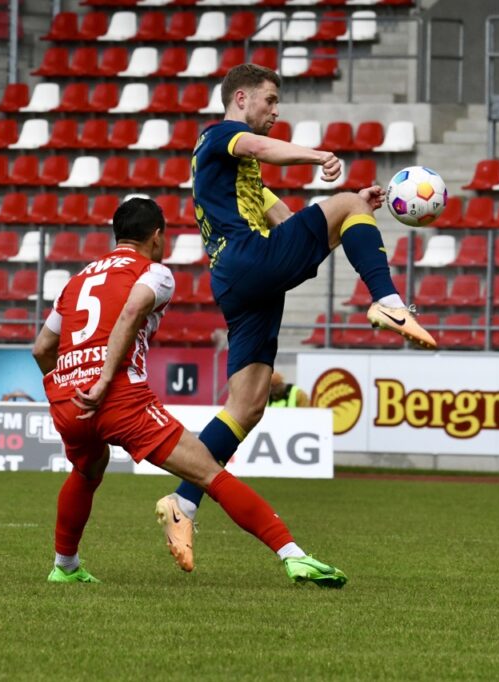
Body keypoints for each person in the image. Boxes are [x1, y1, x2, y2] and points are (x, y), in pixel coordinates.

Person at [156, 63, 436, 570]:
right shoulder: (223, 136)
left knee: (247, 407)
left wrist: (353, 213)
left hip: (239, 280)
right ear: (240, 99)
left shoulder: (234, 177)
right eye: (269, 100)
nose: (275, 111)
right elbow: (261, 148)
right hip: (248, 262)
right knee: (346, 203)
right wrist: (322, 161)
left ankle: (182, 503)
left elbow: (288, 222)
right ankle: (388, 302)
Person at [32, 198, 346, 588]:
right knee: (210, 474)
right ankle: (293, 557)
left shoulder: (76, 281)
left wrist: (71, 385)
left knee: (87, 468)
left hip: (69, 399)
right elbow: (131, 312)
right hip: (117, 396)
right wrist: (103, 380)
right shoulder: (154, 272)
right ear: (157, 236)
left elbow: (43, 348)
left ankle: (65, 565)